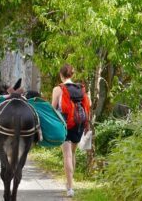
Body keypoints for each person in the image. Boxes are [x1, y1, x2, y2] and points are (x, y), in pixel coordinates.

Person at [51, 63, 90, 197]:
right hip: (79, 123)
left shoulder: (58, 89)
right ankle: (70, 184)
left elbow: (53, 109)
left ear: (61, 75)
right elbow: (88, 105)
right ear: (72, 75)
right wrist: (87, 124)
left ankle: (70, 188)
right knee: (72, 153)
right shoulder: (81, 88)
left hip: (65, 124)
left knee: (66, 154)